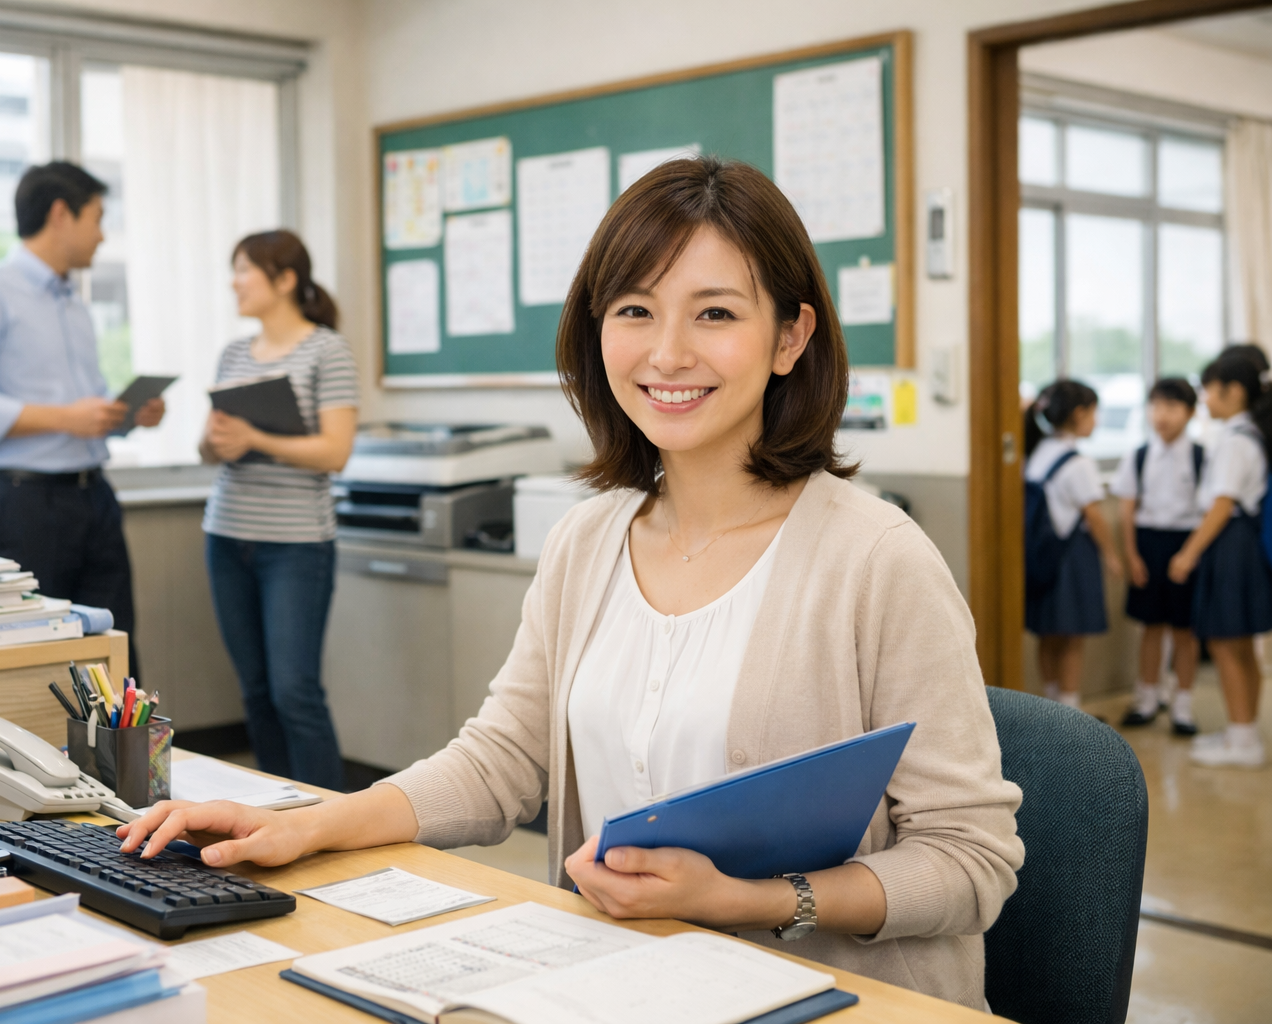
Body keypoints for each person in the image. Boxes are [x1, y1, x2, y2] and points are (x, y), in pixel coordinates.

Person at [120, 158, 1023, 1009]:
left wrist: (748, 899)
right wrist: (312, 824)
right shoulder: (587, 541)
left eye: (714, 314)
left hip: (837, 1002)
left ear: (790, 336)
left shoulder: (877, 559)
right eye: (634, 310)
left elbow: (971, 858)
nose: (667, 353)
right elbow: (504, 762)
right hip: (622, 986)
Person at [0, 161, 162, 678]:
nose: (103, 236)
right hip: (23, 503)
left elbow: (83, 410)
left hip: (93, 496)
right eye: (98, 218)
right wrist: (67, 417)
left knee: (115, 652)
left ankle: (120, 762)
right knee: (36, 662)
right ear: (61, 214)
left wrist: (124, 414)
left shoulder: (73, 305)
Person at [198, 230, 357, 791]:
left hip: (296, 545)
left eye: (245, 270)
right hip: (226, 533)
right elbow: (207, 448)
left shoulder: (326, 349)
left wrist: (256, 437)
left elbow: (335, 452)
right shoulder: (234, 353)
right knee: (257, 692)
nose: (235, 282)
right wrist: (222, 440)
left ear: (285, 279)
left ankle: (330, 819)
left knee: (295, 691)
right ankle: (273, 809)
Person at [1167, 352, 1272, 768]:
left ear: (1234, 391)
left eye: (1209, 388)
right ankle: (1241, 732)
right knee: (1242, 644)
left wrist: (1187, 554)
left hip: (1230, 545)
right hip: (1242, 544)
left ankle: (1242, 740)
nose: (1205, 397)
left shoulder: (1234, 440)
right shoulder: (1251, 434)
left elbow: (1221, 505)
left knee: (1228, 642)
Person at [1023, 380, 1121, 709]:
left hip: (1041, 556)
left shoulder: (1038, 451)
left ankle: (1051, 704)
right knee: (1072, 638)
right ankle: (1071, 710)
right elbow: (1094, 516)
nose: (1096, 420)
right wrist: (1111, 555)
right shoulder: (1078, 463)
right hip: (1071, 557)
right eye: (1095, 413)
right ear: (1080, 413)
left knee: (1048, 636)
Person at [1114, 377, 1202, 734]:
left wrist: (1193, 554)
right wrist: (1132, 556)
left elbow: (1209, 509)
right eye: (1156, 406)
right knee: (1150, 626)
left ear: (1190, 412)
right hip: (1148, 544)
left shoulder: (1200, 456)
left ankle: (1183, 706)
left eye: (1171, 406)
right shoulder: (1139, 454)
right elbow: (1126, 509)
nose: (1161, 415)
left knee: (1184, 630)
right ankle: (1147, 698)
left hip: (1186, 544)